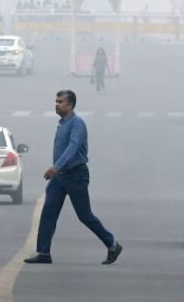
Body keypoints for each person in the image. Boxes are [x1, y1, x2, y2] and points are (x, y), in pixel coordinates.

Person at [24, 90, 122, 265]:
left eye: (60, 101)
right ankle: (44, 252)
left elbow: (73, 147)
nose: (57, 104)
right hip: (59, 178)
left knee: (84, 215)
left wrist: (56, 166)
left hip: (76, 175)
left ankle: (112, 244)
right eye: (56, 101)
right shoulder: (62, 123)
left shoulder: (77, 124)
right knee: (48, 213)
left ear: (70, 105)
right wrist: (57, 170)